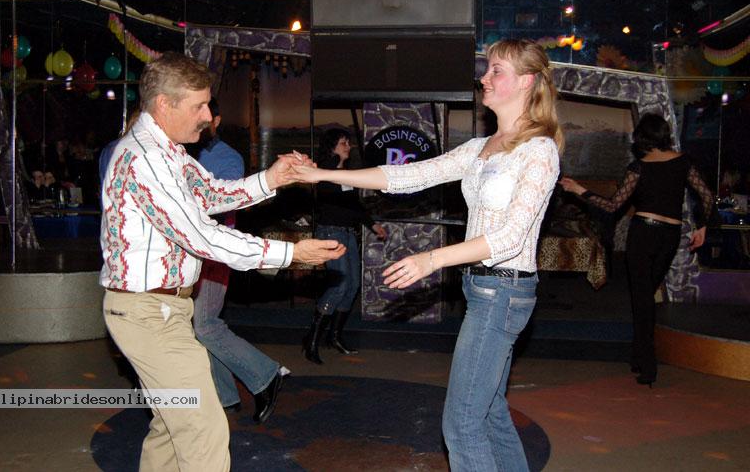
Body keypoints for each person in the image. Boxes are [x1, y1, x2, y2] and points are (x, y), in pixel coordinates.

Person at [291, 39, 563, 471]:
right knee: (490, 412)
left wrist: (431, 260)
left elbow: (510, 238)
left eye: (497, 70)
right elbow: (407, 176)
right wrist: (320, 173)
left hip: (502, 293)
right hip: (483, 290)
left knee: (462, 425)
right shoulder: (481, 147)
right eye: (487, 69)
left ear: (527, 82)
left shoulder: (538, 150)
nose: (484, 78)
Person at [99, 52, 345, 472]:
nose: (207, 116)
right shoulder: (145, 159)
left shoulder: (167, 152)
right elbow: (202, 236)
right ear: (164, 104)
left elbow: (213, 194)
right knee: (203, 429)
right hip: (147, 313)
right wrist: (291, 253)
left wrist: (273, 178)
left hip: (162, 310)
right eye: (199, 105)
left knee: (170, 427)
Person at [560, 113, 713, 387]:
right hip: (669, 236)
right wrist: (702, 226)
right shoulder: (684, 162)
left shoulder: (638, 167)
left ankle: (648, 364)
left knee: (642, 299)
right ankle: (639, 354)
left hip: (643, 234)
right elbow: (707, 195)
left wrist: (579, 190)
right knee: (644, 297)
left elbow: (612, 205)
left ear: (642, 138)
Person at [193, 107, 287, 422]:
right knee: (201, 328)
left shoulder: (227, 157)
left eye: (204, 112)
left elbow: (225, 203)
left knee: (205, 325)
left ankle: (266, 375)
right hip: (190, 252)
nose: (199, 118)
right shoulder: (183, 152)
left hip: (215, 252)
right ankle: (226, 396)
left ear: (217, 120)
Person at [302, 129, 387, 364]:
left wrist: (372, 225)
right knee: (339, 287)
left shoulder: (346, 174)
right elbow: (329, 199)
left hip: (348, 234)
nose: (348, 146)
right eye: (343, 143)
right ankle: (311, 340)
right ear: (332, 147)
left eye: (348, 142)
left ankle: (334, 337)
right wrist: (336, 171)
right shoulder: (325, 173)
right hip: (331, 234)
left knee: (352, 286)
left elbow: (354, 206)